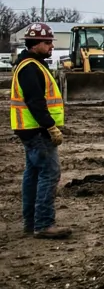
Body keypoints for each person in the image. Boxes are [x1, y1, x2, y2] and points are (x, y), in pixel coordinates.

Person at [10, 22, 71, 238]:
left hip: (29, 129)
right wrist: (50, 126)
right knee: (49, 173)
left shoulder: (31, 64)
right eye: (48, 43)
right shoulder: (30, 67)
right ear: (35, 44)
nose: (51, 46)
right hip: (36, 130)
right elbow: (35, 101)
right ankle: (44, 224)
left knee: (33, 174)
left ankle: (31, 222)